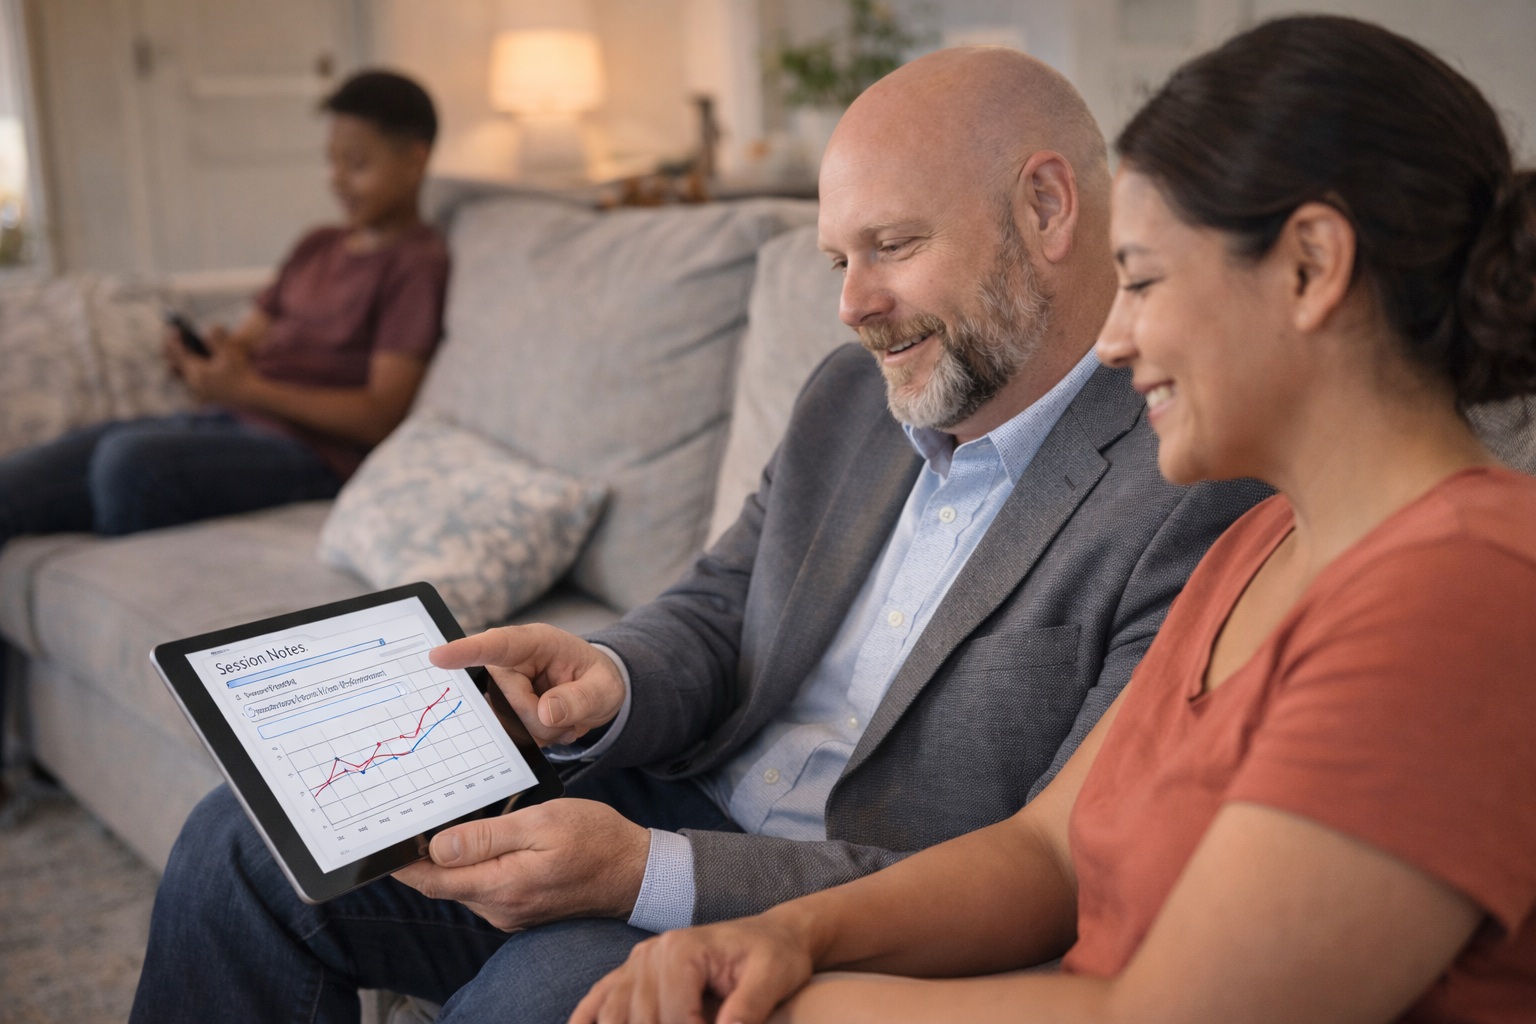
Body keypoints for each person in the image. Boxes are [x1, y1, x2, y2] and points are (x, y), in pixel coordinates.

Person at [129, 48, 1267, 1024]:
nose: (852, 305)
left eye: (893, 245)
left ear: (1048, 208)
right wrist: (609, 679)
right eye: (837, 260)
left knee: (544, 992)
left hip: (835, 902)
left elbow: (1044, 868)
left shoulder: (1190, 484)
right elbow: (722, 599)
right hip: (668, 794)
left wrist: (645, 875)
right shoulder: (851, 394)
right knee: (243, 847)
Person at [572, 15, 1536, 1024]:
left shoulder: (1462, 597)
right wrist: (784, 935)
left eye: (1146, 280)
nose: (1112, 339)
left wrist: (776, 1004)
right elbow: (1045, 849)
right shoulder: (1267, 544)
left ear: (1309, 266)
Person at [0, 69, 449, 810]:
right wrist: (214, 360)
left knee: (126, 464)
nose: (339, 178)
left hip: (306, 452)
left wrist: (246, 391)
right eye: (332, 158)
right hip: (218, 422)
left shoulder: (416, 265)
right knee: (15, 486)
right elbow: (247, 342)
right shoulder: (317, 246)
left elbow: (379, 415)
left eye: (359, 162)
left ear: (416, 159)